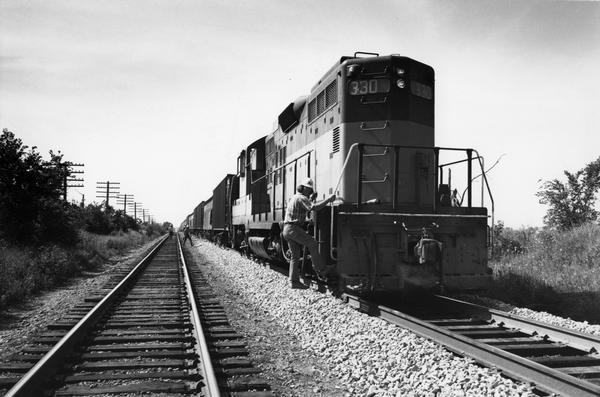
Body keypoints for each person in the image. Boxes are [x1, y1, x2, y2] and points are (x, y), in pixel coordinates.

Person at [282, 177, 336, 288]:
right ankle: (321, 270)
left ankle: (293, 282)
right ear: (303, 189)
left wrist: (306, 220)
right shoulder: (302, 198)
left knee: (295, 256)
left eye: (310, 190)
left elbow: (297, 213)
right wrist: (328, 200)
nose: (309, 191)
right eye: (307, 189)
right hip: (293, 228)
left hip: (287, 229)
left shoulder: (296, 197)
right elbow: (313, 208)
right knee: (312, 243)